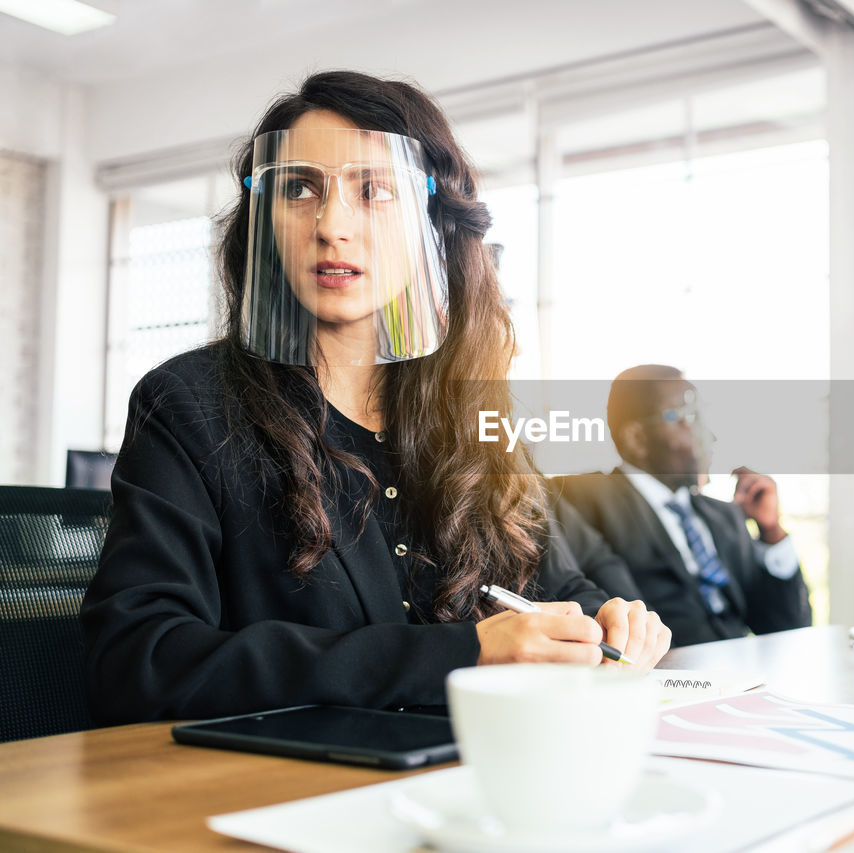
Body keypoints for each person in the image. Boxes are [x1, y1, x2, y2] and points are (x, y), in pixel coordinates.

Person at [80, 71, 669, 725]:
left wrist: (609, 627)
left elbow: (559, 589)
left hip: (481, 774)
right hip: (291, 793)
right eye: (299, 188)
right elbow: (139, 660)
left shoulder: (473, 414)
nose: (333, 224)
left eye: (375, 190)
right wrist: (463, 652)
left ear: (434, 226)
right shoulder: (189, 404)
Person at [554, 365, 811, 647]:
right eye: (688, 417)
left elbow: (788, 627)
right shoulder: (584, 498)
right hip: (669, 676)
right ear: (636, 438)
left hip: (742, 673)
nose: (711, 437)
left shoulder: (722, 516)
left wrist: (770, 531)